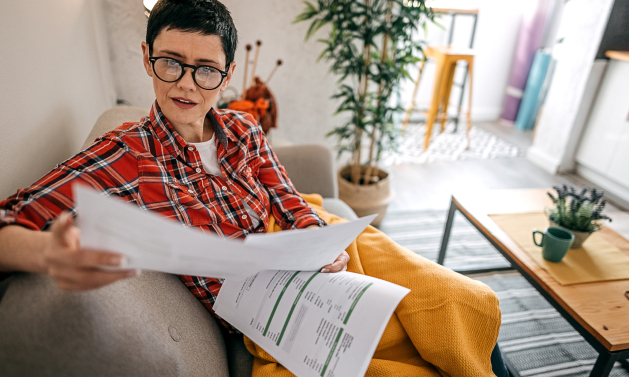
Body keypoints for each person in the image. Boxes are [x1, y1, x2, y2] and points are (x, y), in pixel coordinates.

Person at [0, 1, 507, 376]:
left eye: (206, 71)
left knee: (457, 297)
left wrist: (319, 240)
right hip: (262, 305)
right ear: (146, 56)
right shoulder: (125, 154)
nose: (186, 85)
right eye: (171, 62)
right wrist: (47, 252)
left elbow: (287, 200)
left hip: (312, 253)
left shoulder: (243, 129)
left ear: (227, 74)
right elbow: (10, 216)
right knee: (398, 353)